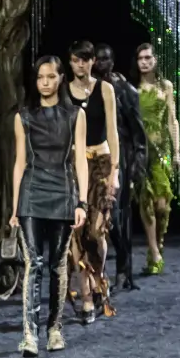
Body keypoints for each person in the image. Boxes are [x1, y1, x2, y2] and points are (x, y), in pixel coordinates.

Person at [10, 56, 88, 358]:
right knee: (34, 263)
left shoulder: (75, 115)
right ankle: (29, 335)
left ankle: (54, 329)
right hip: (31, 193)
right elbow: (20, 162)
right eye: (40, 77)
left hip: (63, 193)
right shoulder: (23, 116)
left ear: (61, 78)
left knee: (57, 263)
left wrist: (82, 202)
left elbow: (80, 160)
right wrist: (14, 207)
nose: (45, 82)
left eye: (51, 76)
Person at [64, 41, 119, 323]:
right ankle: (86, 296)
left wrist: (115, 171)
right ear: (70, 62)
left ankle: (99, 278)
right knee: (77, 233)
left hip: (101, 162)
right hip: (75, 165)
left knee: (97, 232)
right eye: (76, 60)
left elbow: (113, 131)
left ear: (93, 61)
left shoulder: (105, 89)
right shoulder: (64, 93)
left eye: (85, 60)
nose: (81, 65)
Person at [94, 44, 148, 291]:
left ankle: (123, 271)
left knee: (118, 216)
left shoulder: (125, 90)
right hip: (94, 157)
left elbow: (138, 131)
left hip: (120, 157)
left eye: (106, 59)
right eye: (98, 59)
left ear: (112, 61)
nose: (101, 63)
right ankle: (97, 276)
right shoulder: (88, 90)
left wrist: (138, 162)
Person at [133, 43, 180, 274]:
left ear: (155, 60)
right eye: (140, 58)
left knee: (162, 205)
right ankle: (154, 253)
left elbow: (172, 120)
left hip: (161, 152)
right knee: (147, 201)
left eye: (148, 58)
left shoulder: (166, 86)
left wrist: (177, 153)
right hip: (140, 152)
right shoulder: (133, 89)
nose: (144, 62)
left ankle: (158, 242)